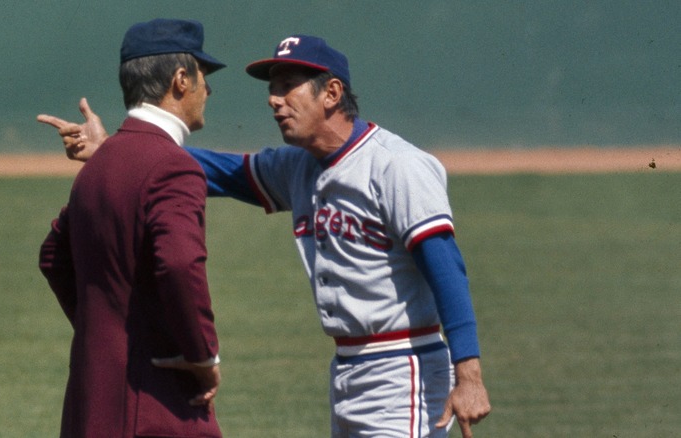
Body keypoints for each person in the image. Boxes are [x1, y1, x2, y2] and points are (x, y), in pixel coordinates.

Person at [39, 35, 491, 438]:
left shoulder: (397, 166)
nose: (274, 100)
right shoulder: (298, 166)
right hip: (347, 370)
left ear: (332, 93)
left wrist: (467, 373)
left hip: (404, 365)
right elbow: (214, 171)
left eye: (287, 86)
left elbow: (445, 267)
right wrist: (118, 150)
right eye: (271, 88)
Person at [37, 18, 226, 438]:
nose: (207, 91)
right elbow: (178, 263)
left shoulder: (98, 162)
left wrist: (103, 335)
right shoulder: (174, 166)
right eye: (202, 77)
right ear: (180, 80)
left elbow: (53, 257)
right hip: (154, 404)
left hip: (91, 402)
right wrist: (201, 355)